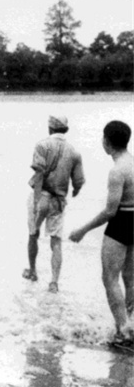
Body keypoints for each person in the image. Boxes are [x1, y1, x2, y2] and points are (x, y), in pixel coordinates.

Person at [69, 121, 133, 341]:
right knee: (130, 278)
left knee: (110, 278)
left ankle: (123, 330)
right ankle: (130, 324)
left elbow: (110, 211)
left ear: (106, 141)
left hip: (121, 222)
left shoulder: (117, 171)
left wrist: (83, 230)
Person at [23, 116, 85, 293]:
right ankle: (54, 282)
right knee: (56, 241)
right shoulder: (74, 152)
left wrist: (37, 199)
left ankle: (33, 271)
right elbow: (79, 181)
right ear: (66, 130)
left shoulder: (42, 145)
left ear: (50, 128)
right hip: (58, 200)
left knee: (33, 234)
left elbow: (39, 173)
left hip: (41, 196)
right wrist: (74, 192)